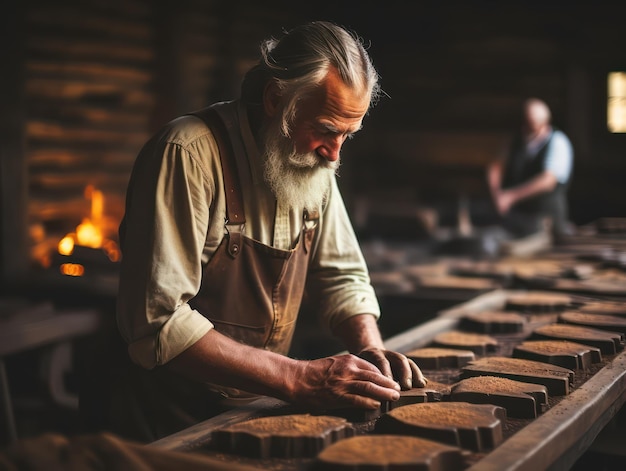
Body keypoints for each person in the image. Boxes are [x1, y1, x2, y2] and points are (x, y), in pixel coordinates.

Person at [109, 21, 426, 442]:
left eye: (348, 135)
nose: (334, 154)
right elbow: (159, 321)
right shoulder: (186, 154)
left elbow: (342, 276)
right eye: (327, 130)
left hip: (256, 410)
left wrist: (371, 350)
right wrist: (298, 378)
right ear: (277, 98)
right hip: (169, 418)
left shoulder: (314, 162)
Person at [486, 98, 574, 240]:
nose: (526, 128)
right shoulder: (516, 140)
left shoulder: (558, 142)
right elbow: (496, 166)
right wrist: (497, 193)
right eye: (525, 122)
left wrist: (511, 196)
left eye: (532, 124)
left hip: (547, 220)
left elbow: (548, 181)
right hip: (518, 218)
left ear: (544, 123)